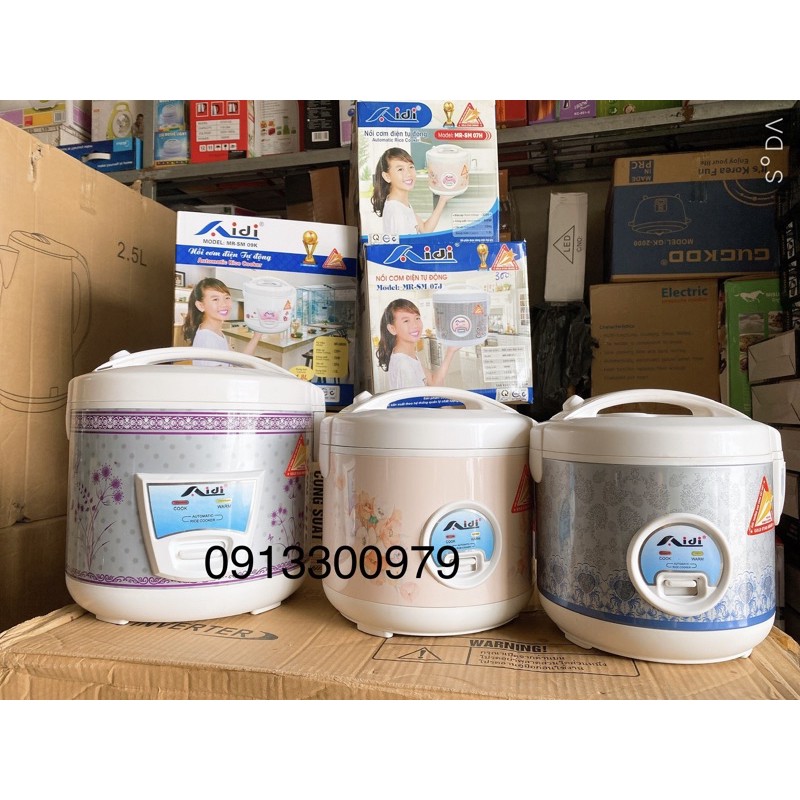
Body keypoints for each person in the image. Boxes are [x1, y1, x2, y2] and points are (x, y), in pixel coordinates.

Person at [375, 298, 459, 389]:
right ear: (392, 329)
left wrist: (450, 351)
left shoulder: (408, 356)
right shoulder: (404, 365)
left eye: (417, 318)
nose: (415, 325)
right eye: (406, 321)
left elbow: (433, 382)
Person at [181, 278, 261, 366]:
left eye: (227, 298)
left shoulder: (215, 332)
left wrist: (257, 334)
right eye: (215, 299)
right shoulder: (208, 339)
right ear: (201, 306)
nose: (224, 304)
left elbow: (239, 361)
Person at [370, 147, 450, 236]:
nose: (408, 173)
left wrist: (443, 199)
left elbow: (424, 229)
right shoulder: (397, 211)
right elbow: (406, 244)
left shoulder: (401, 204)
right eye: (400, 169)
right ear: (387, 177)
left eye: (411, 167)